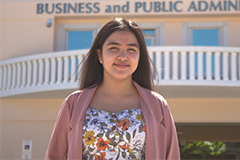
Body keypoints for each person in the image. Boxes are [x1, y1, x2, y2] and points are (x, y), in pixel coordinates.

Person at [45, 18, 180, 160]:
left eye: (131, 50)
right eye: (113, 48)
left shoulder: (157, 105)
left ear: (139, 57)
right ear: (99, 55)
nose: (123, 57)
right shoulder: (73, 104)